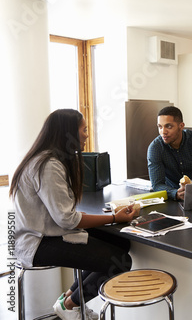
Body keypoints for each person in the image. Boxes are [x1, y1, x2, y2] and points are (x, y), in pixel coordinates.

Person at [10, 109, 135, 320]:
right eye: (84, 130)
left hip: (47, 233)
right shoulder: (48, 166)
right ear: (68, 133)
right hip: (38, 243)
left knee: (121, 243)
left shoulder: (45, 159)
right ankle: (71, 304)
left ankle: (68, 299)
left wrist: (107, 219)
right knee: (122, 260)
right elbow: (66, 219)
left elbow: (61, 213)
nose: (87, 134)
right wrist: (115, 217)